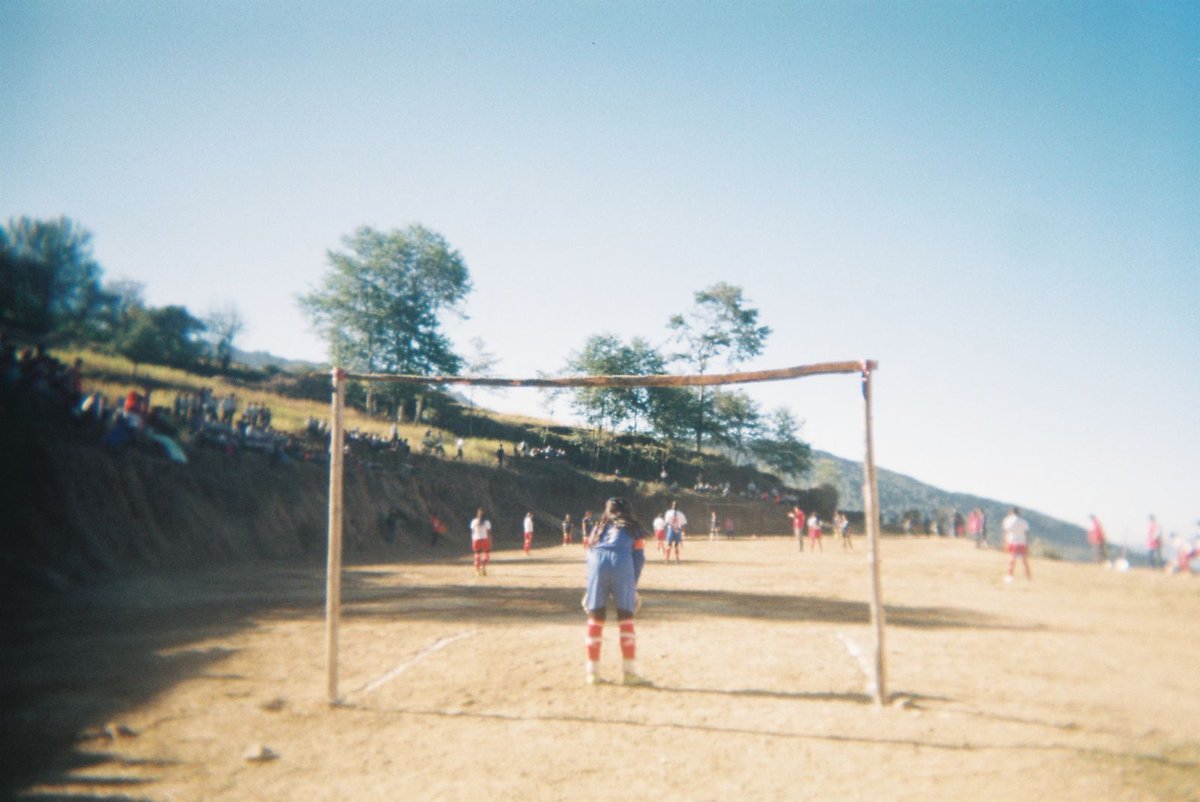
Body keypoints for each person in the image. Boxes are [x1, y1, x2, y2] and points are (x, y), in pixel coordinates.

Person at [582, 497, 650, 686]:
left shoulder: (598, 527)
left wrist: (590, 586)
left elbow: (589, 554)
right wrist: (632, 587)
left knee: (595, 619)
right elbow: (639, 558)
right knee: (625, 620)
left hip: (596, 563)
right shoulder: (632, 527)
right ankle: (629, 674)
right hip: (622, 563)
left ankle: (592, 673)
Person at [1002, 506, 1031, 582]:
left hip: (1013, 541)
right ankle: (1028, 577)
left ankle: (1010, 576)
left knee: (1012, 560)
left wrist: (1005, 542)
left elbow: (1006, 532)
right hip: (1022, 542)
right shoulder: (1024, 522)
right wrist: (1027, 543)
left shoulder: (1008, 520)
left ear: (1012, 512)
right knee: (1024, 561)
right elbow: (1026, 533)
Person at [470, 507, 492, 576]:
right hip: (484, 539)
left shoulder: (473, 521)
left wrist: (472, 540)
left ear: (477, 514)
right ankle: (483, 567)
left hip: (476, 539)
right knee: (487, 555)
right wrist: (490, 541)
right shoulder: (487, 522)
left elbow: (472, 532)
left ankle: (477, 570)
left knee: (477, 555)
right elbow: (489, 533)